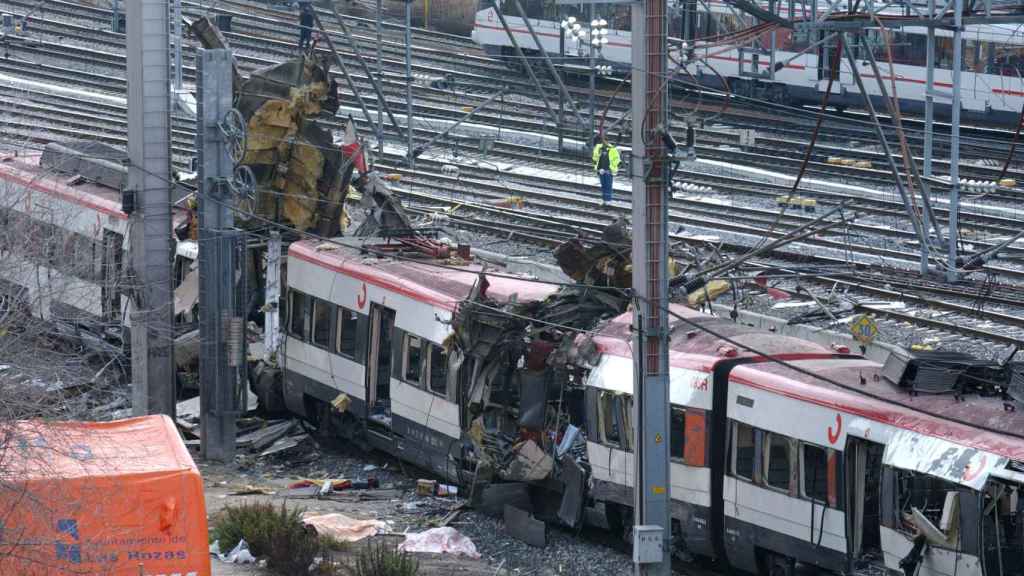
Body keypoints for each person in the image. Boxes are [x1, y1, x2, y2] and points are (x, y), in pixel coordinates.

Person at [592, 134, 620, 207]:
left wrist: (611, 168)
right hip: (601, 171)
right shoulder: (599, 149)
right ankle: (604, 200)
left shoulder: (612, 149)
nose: (604, 143)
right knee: (603, 186)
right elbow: (595, 158)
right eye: (603, 141)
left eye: (605, 141)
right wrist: (599, 168)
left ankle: (608, 201)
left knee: (608, 186)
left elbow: (617, 160)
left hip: (608, 171)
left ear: (607, 141)